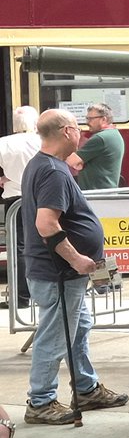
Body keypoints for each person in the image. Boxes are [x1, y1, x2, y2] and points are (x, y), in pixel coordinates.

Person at [22, 109, 128, 425]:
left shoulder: (44, 165)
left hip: (63, 273)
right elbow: (46, 223)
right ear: (67, 131)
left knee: (79, 327)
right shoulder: (53, 172)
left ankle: (86, 388)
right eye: (78, 128)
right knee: (55, 336)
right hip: (60, 272)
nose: (81, 133)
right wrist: (76, 258)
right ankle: (41, 401)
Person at [1, 106, 40, 308]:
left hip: (14, 200)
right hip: (41, 198)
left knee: (18, 247)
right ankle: (45, 294)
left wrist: (6, 178)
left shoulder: (4, 143)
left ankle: (22, 297)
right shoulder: (42, 141)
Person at [66, 103, 125, 190]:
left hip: (96, 193)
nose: (87, 122)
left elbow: (72, 161)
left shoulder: (100, 138)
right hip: (106, 191)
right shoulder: (114, 134)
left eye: (91, 119)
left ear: (104, 119)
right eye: (87, 118)